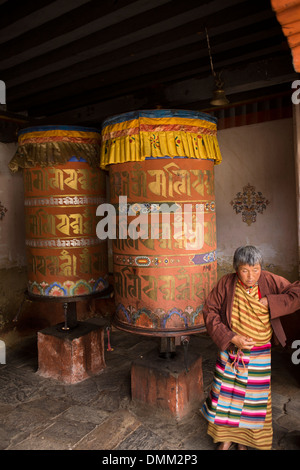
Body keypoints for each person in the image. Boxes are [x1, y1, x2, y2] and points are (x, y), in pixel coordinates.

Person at [200, 245, 300, 450]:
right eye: (245, 270)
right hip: (231, 351)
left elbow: (297, 292)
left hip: (259, 355)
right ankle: (226, 439)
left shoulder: (270, 280)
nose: (251, 275)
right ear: (236, 269)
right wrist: (232, 337)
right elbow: (209, 311)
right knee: (227, 396)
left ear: (261, 267)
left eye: (256, 269)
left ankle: (244, 440)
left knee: (253, 400)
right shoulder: (226, 283)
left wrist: (271, 301)